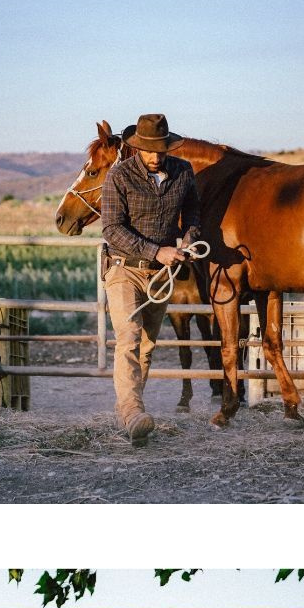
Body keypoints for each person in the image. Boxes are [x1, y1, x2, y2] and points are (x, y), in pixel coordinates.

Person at [98, 113, 200, 444]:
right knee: (129, 336)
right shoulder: (118, 176)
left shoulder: (183, 172)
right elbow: (112, 229)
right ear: (138, 147)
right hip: (123, 268)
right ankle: (132, 413)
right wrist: (158, 251)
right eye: (149, 150)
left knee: (146, 346)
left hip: (160, 274)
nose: (155, 156)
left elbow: (193, 214)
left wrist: (189, 238)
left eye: (160, 150)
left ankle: (129, 416)